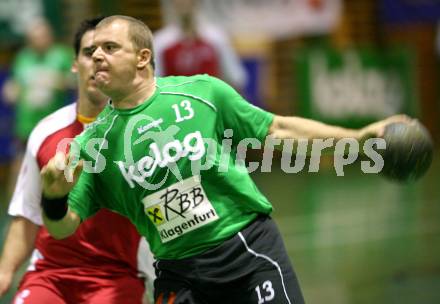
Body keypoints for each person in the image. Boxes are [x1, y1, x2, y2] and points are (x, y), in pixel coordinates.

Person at [40, 15, 410, 304]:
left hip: (247, 251)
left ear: (142, 58)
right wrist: (53, 196)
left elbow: (279, 130)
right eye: (92, 51)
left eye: (110, 47)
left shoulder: (203, 93)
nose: (97, 55)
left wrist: (358, 139)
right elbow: (62, 227)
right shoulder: (91, 144)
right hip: (178, 270)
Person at [0, 17, 154, 304]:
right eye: (88, 52)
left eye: (109, 51)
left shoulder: (143, 135)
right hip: (50, 275)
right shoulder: (47, 131)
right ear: (74, 64)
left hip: (117, 275)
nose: (97, 61)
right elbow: (27, 214)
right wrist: (4, 272)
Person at [154, 0, 246, 89]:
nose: (184, 3)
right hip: (175, 102)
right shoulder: (161, 41)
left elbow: (235, 78)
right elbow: (155, 83)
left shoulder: (216, 38)